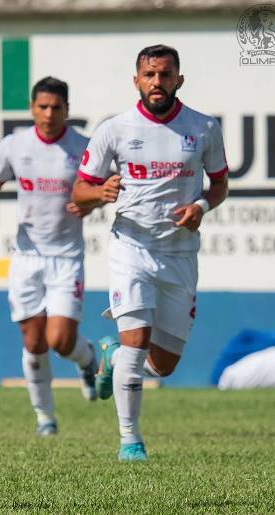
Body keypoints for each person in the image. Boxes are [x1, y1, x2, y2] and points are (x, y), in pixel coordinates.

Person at [72, 44, 229, 461]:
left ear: (178, 79)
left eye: (164, 75)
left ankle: (111, 357)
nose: (156, 82)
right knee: (137, 341)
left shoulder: (205, 129)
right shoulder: (114, 129)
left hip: (180, 254)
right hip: (132, 248)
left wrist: (201, 207)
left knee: (164, 364)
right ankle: (130, 440)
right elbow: (80, 190)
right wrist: (99, 191)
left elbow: (219, 185)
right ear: (136, 80)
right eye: (149, 75)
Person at [0, 77, 97, 437]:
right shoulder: (15, 145)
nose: (49, 114)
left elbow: (101, 187)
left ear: (67, 110)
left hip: (66, 256)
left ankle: (88, 361)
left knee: (60, 340)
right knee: (34, 342)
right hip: (27, 256)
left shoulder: (84, 148)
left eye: (57, 107)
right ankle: (45, 417)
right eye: (43, 106)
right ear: (32, 108)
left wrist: (93, 200)